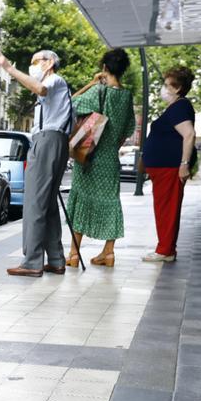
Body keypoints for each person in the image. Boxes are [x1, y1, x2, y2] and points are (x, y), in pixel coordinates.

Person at [0, 49, 74, 278]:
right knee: (47, 204)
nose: (33, 66)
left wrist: (9, 68)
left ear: (49, 63)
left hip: (48, 140)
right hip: (55, 141)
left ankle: (31, 262)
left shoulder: (54, 80)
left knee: (34, 203)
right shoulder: (60, 89)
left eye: (36, 62)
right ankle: (56, 259)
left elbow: (39, 88)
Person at [65, 48, 136, 267]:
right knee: (111, 202)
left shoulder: (98, 91)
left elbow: (71, 103)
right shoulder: (126, 97)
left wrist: (93, 82)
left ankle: (74, 255)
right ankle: (108, 252)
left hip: (89, 157)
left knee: (81, 200)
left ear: (104, 67)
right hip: (110, 159)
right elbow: (128, 129)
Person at [141, 66, 196, 263]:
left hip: (170, 167)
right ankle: (166, 248)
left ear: (178, 88)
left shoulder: (180, 107)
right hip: (164, 167)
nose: (164, 89)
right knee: (165, 207)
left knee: (167, 208)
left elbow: (188, 135)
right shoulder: (176, 107)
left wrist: (184, 164)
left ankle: (165, 250)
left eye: (167, 85)